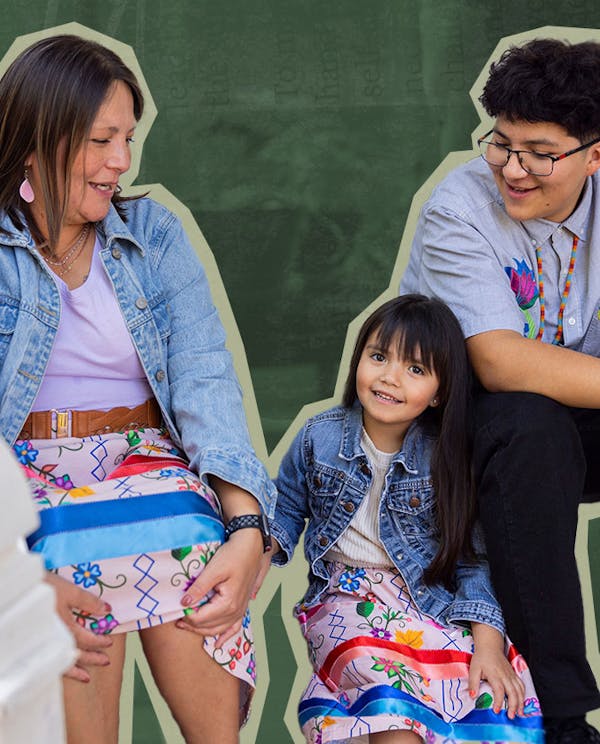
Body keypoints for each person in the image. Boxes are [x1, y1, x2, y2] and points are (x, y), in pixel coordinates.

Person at [0, 34, 276, 744]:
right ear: (34, 143)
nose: (122, 160)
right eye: (101, 139)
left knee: (191, 536)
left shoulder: (153, 233)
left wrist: (246, 529)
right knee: (53, 561)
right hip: (19, 478)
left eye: (128, 137)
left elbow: (206, 379)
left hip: (141, 459)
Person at [400, 37, 600, 742]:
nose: (512, 168)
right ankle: (566, 715)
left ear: (595, 153)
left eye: (540, 153)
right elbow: (499, 365)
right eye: (501, 143)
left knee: (543, 425)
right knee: (527, 427)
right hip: (463, 427)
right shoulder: (460, 203)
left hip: (576, 411)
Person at [264, 295, 542, 742]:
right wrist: (255, 556)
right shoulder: (320, 435)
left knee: (488, 697)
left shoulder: (446, 460)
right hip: (346, 601)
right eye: (378, 357)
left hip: (429, 605)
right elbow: (286, 511)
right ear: (358, 360)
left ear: (440, 393)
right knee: (390, 697)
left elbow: (473, 561)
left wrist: (488, 646)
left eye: (415, 369)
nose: (390, 377)